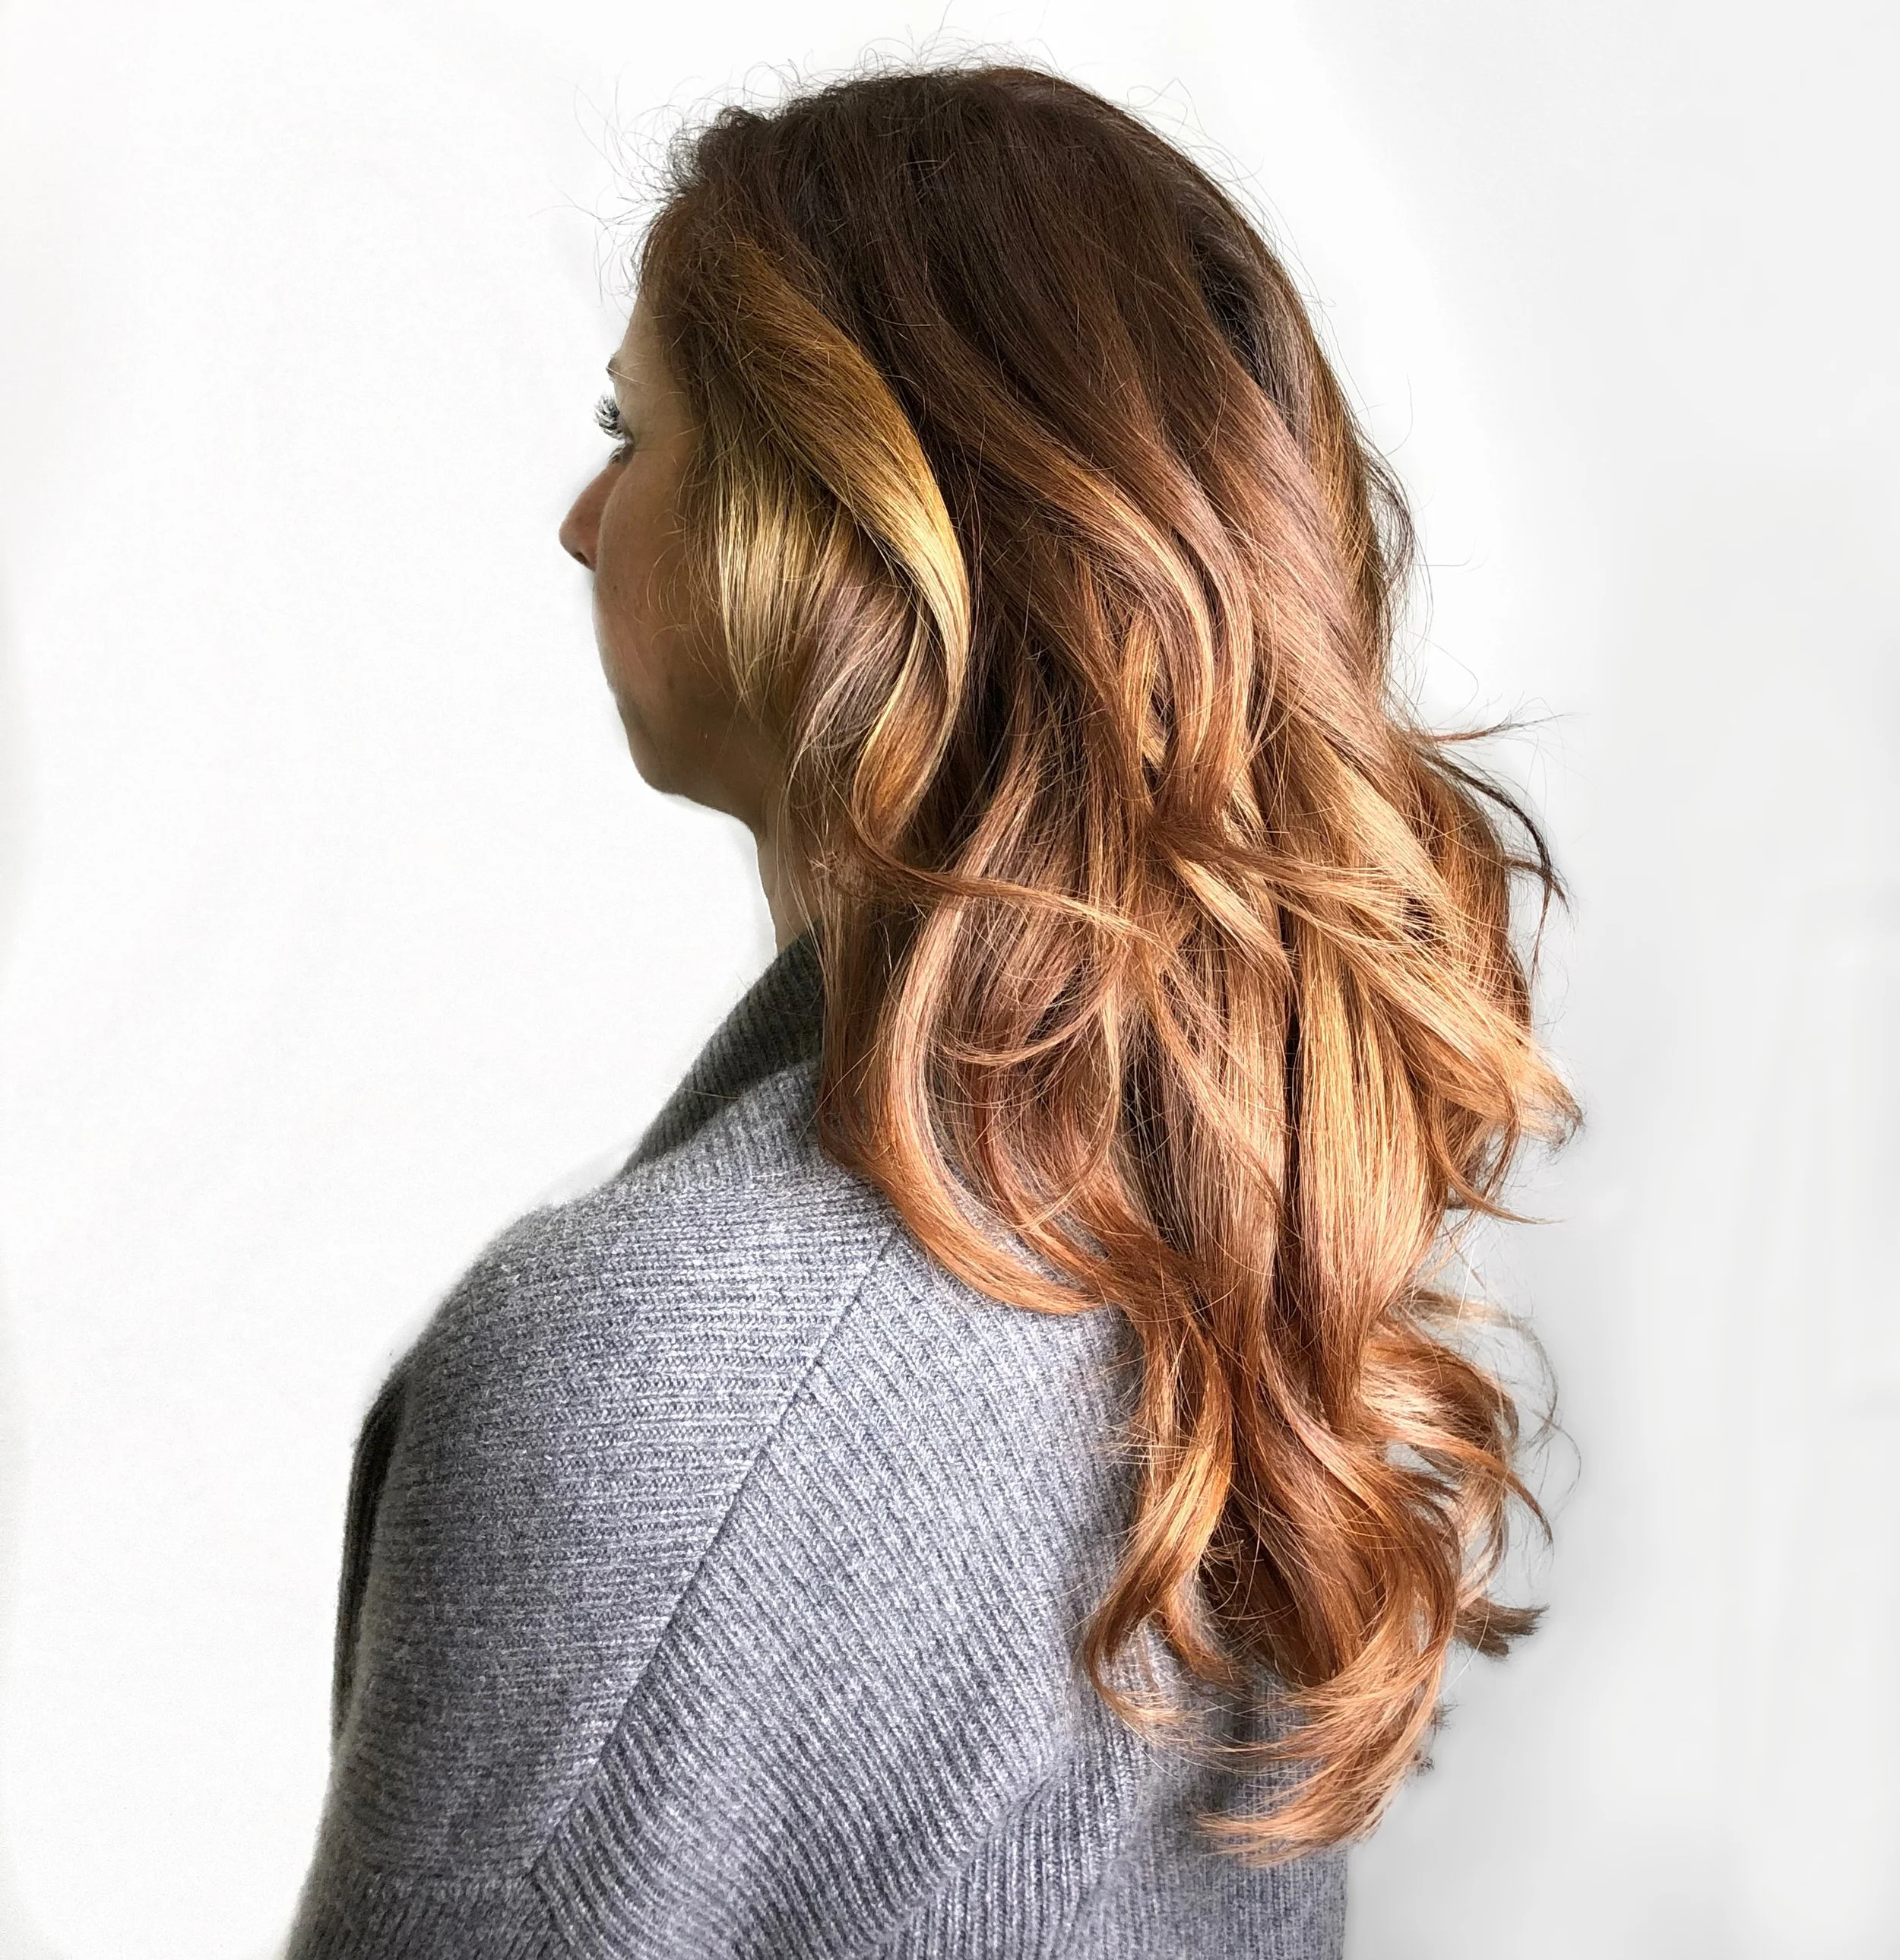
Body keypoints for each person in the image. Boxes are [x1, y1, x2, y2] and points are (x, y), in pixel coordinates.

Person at [286, 59, 1575, 1958]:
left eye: (626, 428)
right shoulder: (1215, 1229)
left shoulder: (637, 1368)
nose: (580, 520)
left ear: (840, 520)